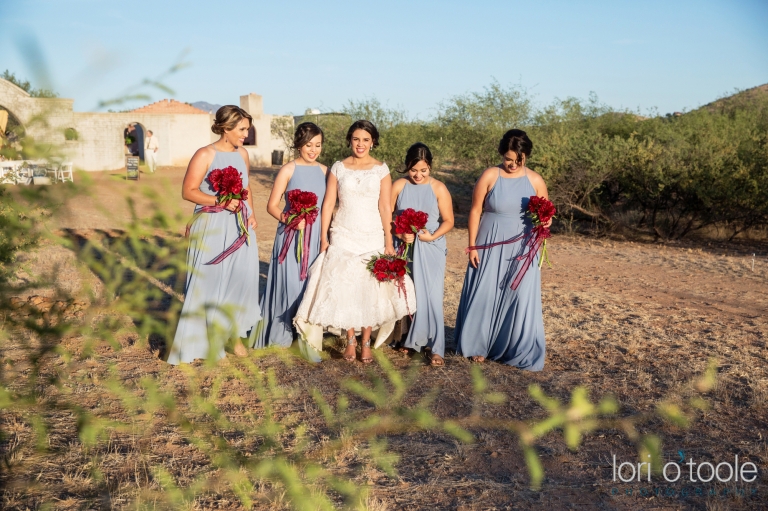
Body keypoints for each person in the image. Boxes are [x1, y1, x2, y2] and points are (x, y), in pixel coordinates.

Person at [294, 120, 416, 363]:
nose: (360, 144)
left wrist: (389, 241)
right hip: (343, 232)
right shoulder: (338, 167)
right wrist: (324, 236)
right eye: (356, 139)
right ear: (350, 140)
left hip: (372, 234)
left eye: (366, 140)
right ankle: (350, 340)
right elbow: (328, 203)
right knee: (346, 286)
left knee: (370, 288)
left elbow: (384, 206)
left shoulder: (381, 169)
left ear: (373, 142)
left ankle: (366, 341)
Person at [166, 106, 260, 365]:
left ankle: (235, 334)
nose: (246, 134)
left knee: (238, 281)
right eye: (241, 129)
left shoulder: (243, 153)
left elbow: (246, 186)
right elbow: (188, 191)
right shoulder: (205, 154)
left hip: (240, 224)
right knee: (211, 281)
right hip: (212, 224)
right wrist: (218, 200)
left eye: (247, 129)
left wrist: (252, 214)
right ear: (225, 128)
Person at [454, 129, 550, 370]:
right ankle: (478, 345)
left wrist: (546, 222)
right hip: (489, 241)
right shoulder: (490, 175)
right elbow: (475, 211)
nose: (512, 164)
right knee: (485, 291)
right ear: (501, 155)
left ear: (526, 156)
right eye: (508, 158)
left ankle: (514, 347)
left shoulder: (536, 180)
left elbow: (547, 215)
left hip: (524, 246)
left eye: (518, 159)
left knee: (519, 295)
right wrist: (473, 245)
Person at [251, 122, 327, 354]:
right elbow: (271, 206)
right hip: (291, 235)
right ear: (298, 145)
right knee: (290, 283)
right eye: (308, 145)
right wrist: (290, 219)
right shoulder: (288, 170)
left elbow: (329, 206)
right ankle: (281, 333)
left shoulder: (325, 171)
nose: (313, 150)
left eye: (318, 145)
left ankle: (306, 335)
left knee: (310, 285)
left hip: (315, 236)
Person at [391, 143, 454, 366]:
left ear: (430, 167)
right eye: (413, 170)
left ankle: (436, 347)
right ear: (407, 167)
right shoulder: (398, 185)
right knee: (409, 293)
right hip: (405, 248)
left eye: (423, 170)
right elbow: (386, 216)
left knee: (432, 297)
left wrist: (432, 235)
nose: (418, 175)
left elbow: (449, 221)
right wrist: (399, 233)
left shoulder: (439, 188)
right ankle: (411, 340)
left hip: (431, 247)